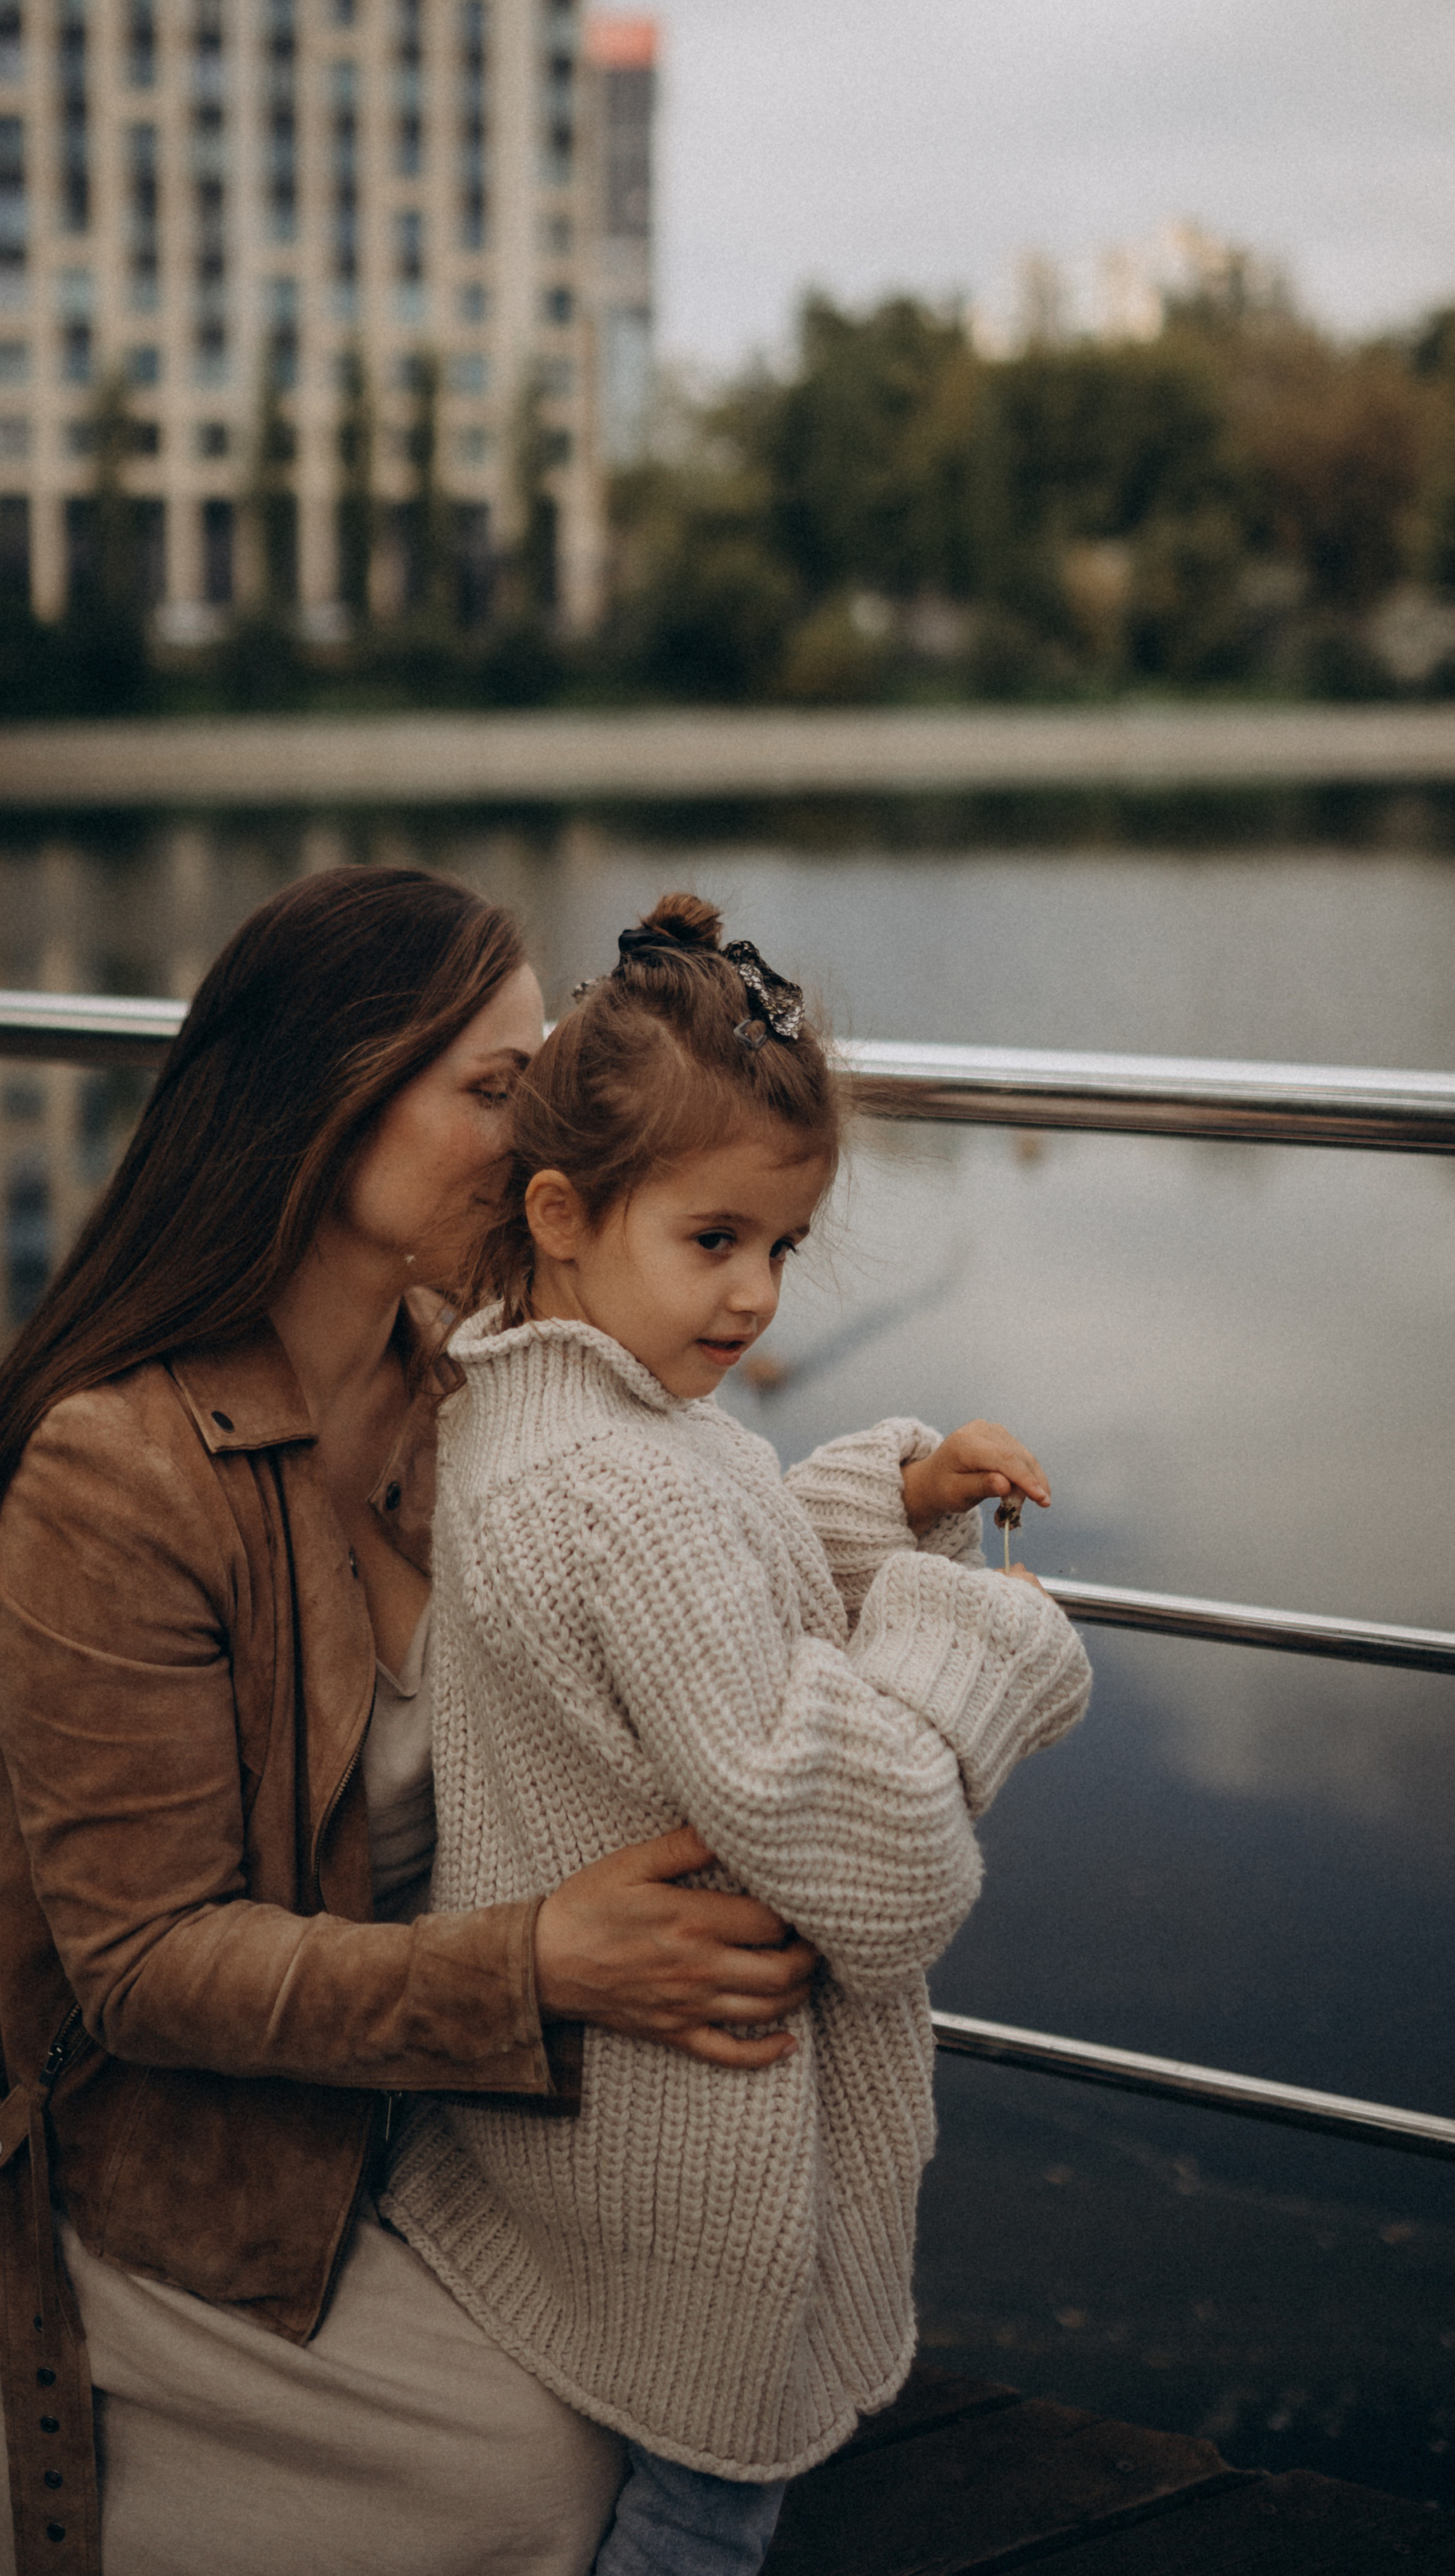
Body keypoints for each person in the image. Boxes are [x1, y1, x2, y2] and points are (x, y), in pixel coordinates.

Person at [0, 865, 826, 2576]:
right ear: (321, 1104)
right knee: (531, 2476)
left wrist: (886, 1538)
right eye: (495, 1087)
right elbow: (136, 1965)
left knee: (703, 2356)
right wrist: (541, 1970)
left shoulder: (475, 1364)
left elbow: (689, 1525)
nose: (548, 1135)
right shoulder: (104, 1473)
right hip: (101, 2121)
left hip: (375, 2071)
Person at [385, 894, 1093, 2576]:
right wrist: (973, 1640)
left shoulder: (545, 1383)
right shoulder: (614, 1487)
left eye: (781, 1246)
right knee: (703, 2505)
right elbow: (877, 1856)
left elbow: (725, 1588)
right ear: (561, 1211)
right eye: (715, 1242)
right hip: (688, 2132)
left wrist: (890, 1500)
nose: (757, 1297)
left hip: (603, 2114)